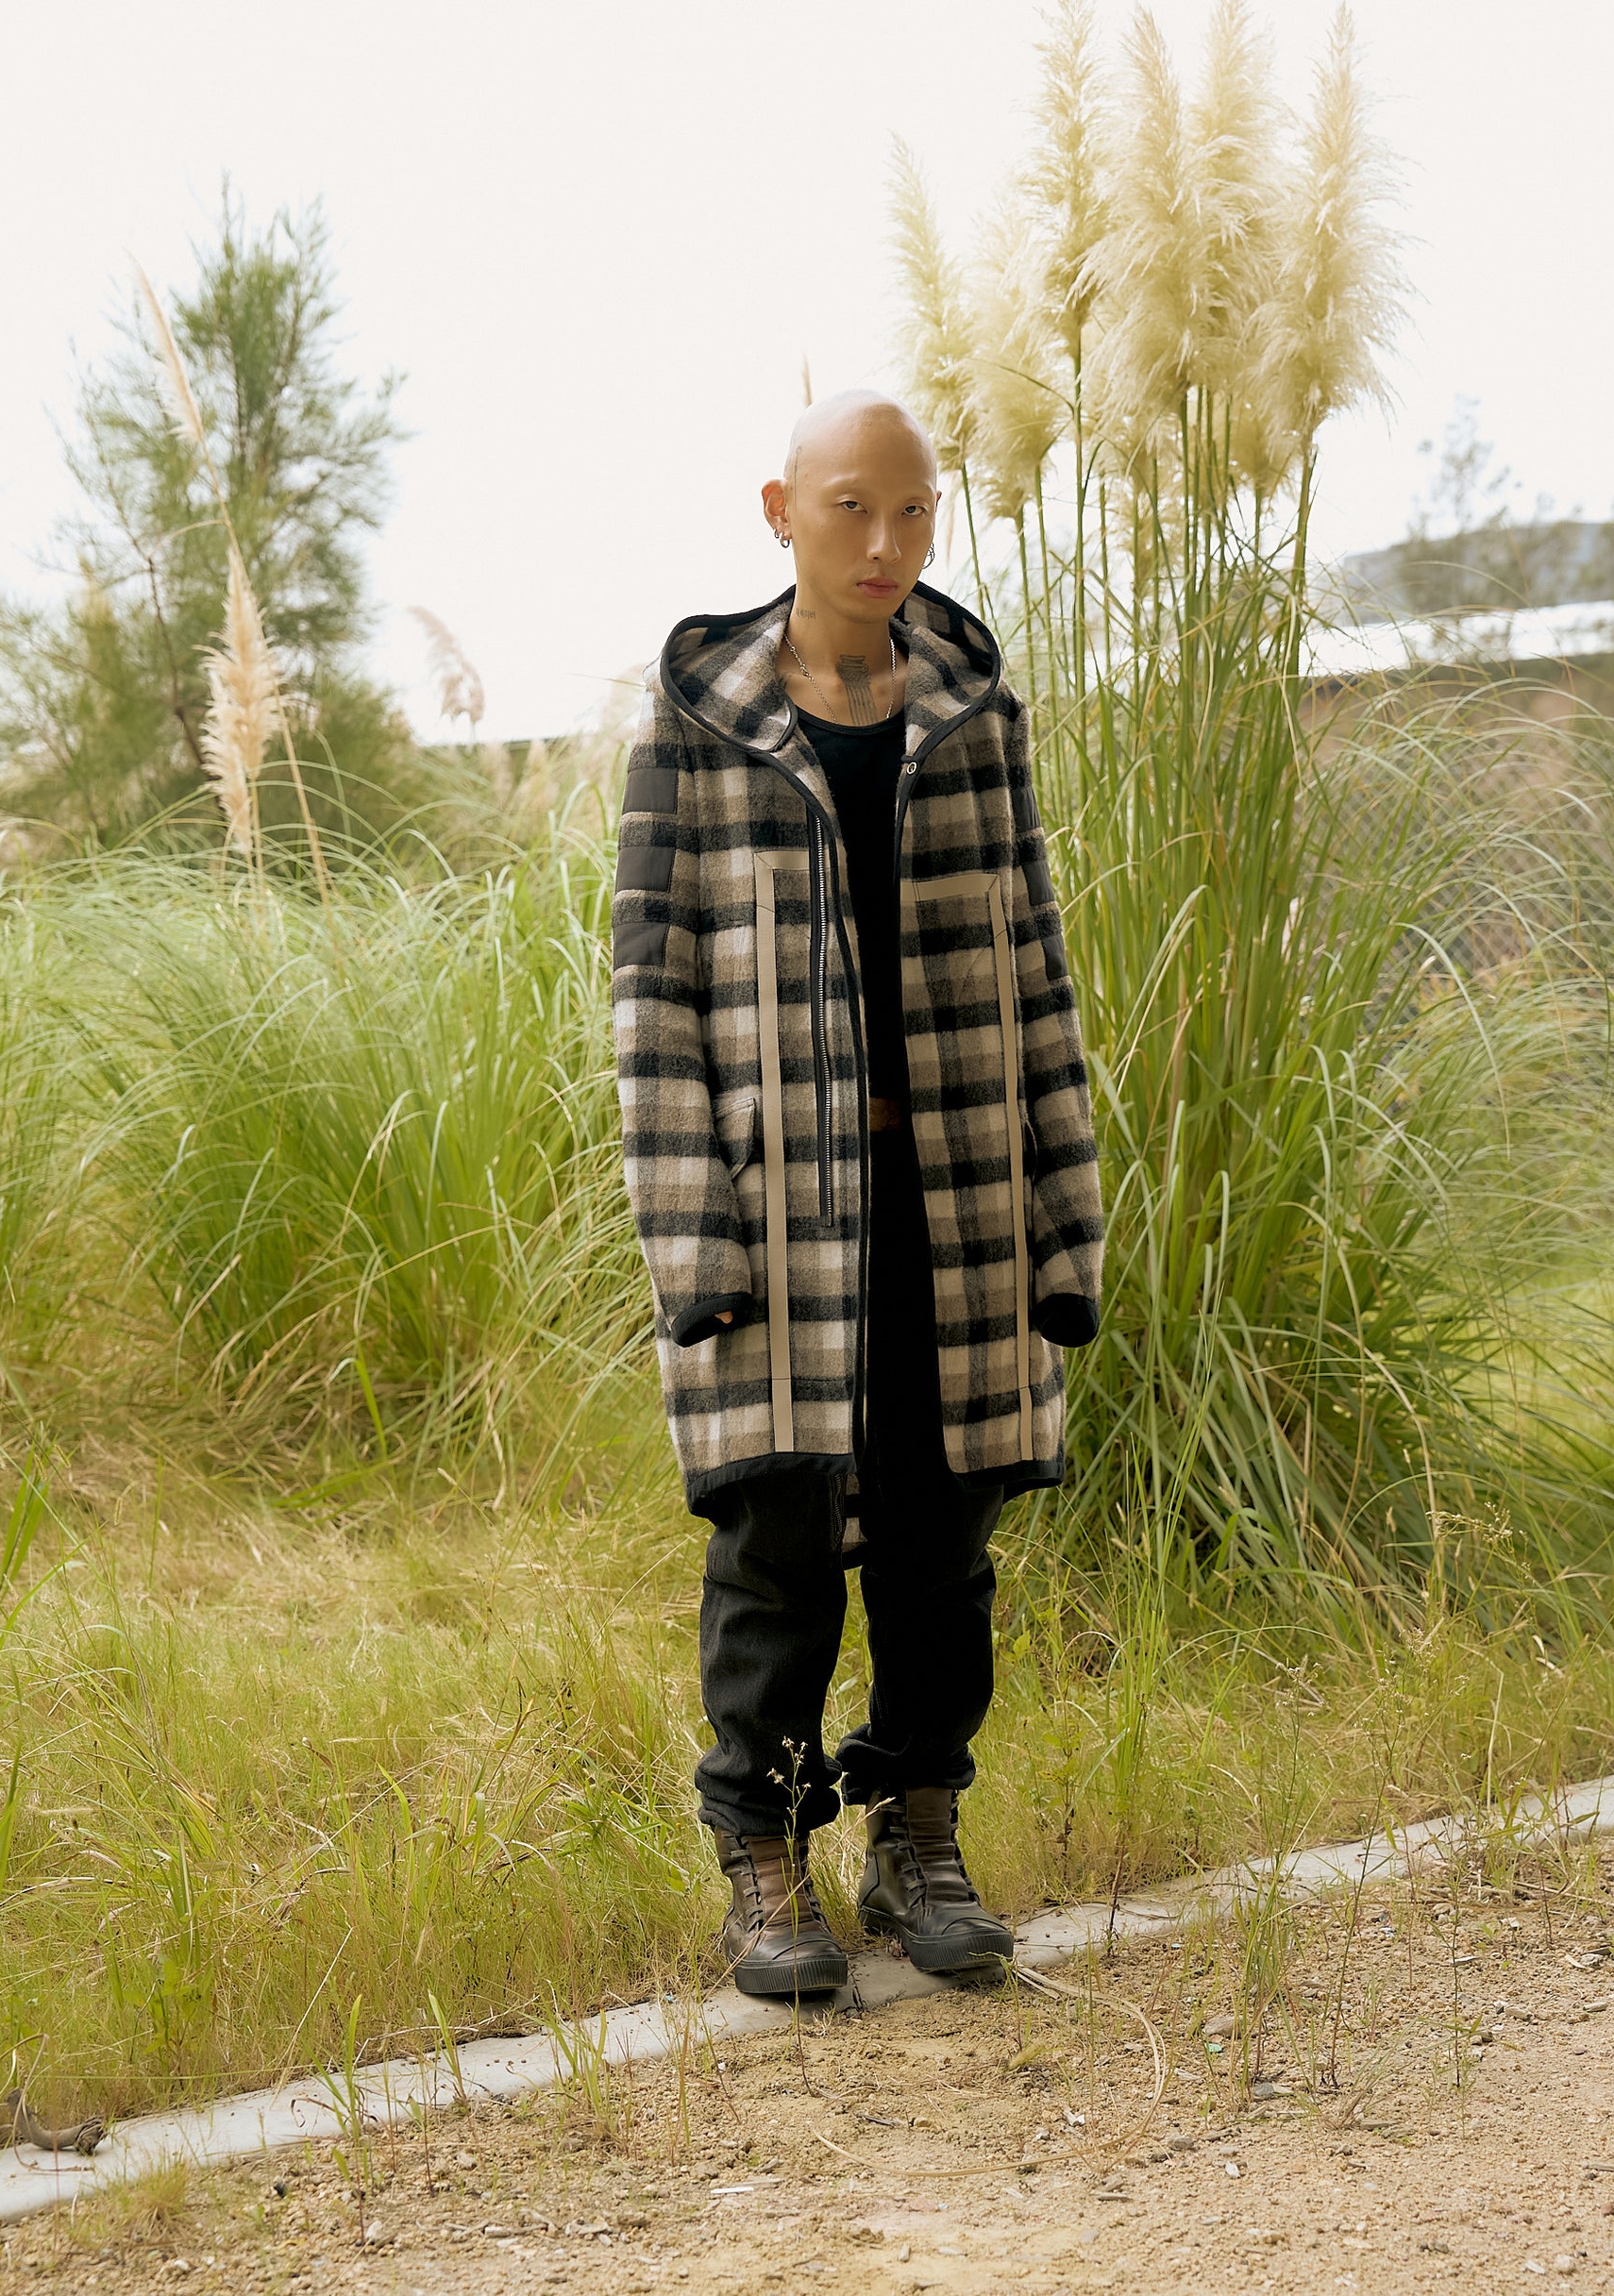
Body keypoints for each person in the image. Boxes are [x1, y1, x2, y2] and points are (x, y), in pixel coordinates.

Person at [612, 390, 1102, 1997]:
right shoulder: (703, 716)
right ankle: (763, 1861)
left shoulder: (975, 708)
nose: (882, 545)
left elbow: (1036, 973)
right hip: (774, 1212)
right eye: (846, 509)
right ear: (777, 507)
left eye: (912, 512)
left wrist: (1063, 1218)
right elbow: (652, 997)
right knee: (770, 1528)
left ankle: (916, 1835)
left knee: (935, 1533)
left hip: (955, 1192)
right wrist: (692, 1240)